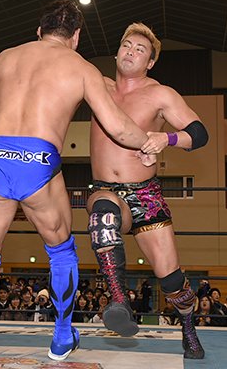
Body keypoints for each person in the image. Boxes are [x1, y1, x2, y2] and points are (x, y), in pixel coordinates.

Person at [0, 0, 159, 367]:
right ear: (76, 36)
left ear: (39, 30)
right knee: (61, 250)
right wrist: (149, 143)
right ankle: (62, 335)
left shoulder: (5, 57)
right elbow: (117, 127)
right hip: (39, 161)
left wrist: (4, 158)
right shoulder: (80, 67)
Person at [85, 22, 208, 359]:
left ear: (150, 62)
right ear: (116, 52)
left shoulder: (160, 94)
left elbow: (199, 133)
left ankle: (188, 326)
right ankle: (119, 302)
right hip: (105, 189)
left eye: (140, 50)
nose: (131, 52)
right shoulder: (97, 86)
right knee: (102, 218)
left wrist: (166, 138)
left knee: (171, 281)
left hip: (146, 194)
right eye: (127, 45)